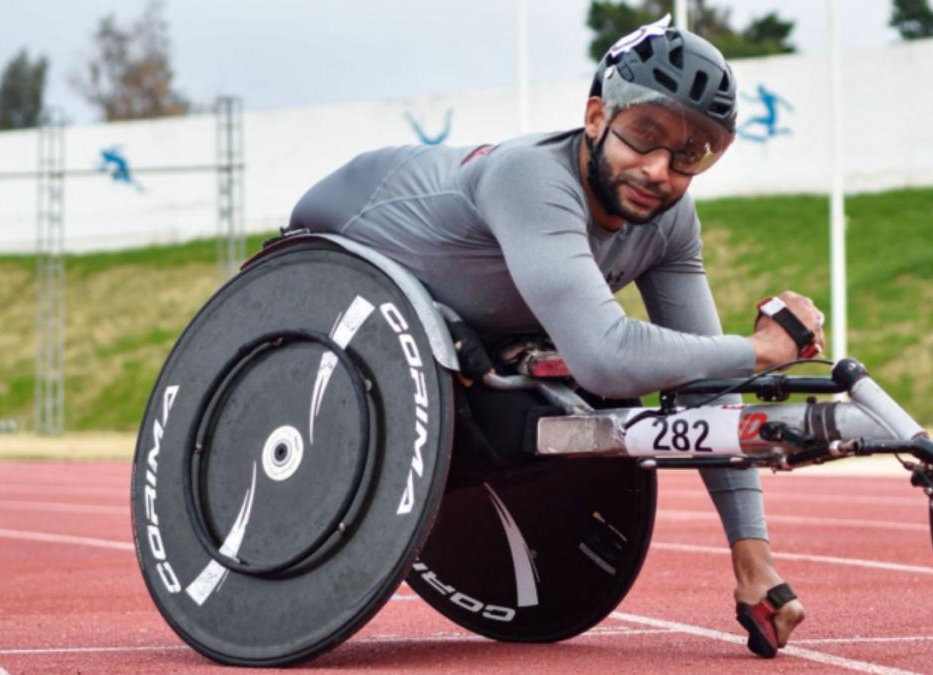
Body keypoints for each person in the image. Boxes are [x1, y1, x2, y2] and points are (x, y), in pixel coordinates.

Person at [288, 16, 823, 658]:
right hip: (339, 228)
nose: (659, 170)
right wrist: (760, 350)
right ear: (596, 117)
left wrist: (752, 558)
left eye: (690, 155)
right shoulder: (532, 180)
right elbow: (605, 357)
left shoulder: (671, 220)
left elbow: (707, 389)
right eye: (644, 137)